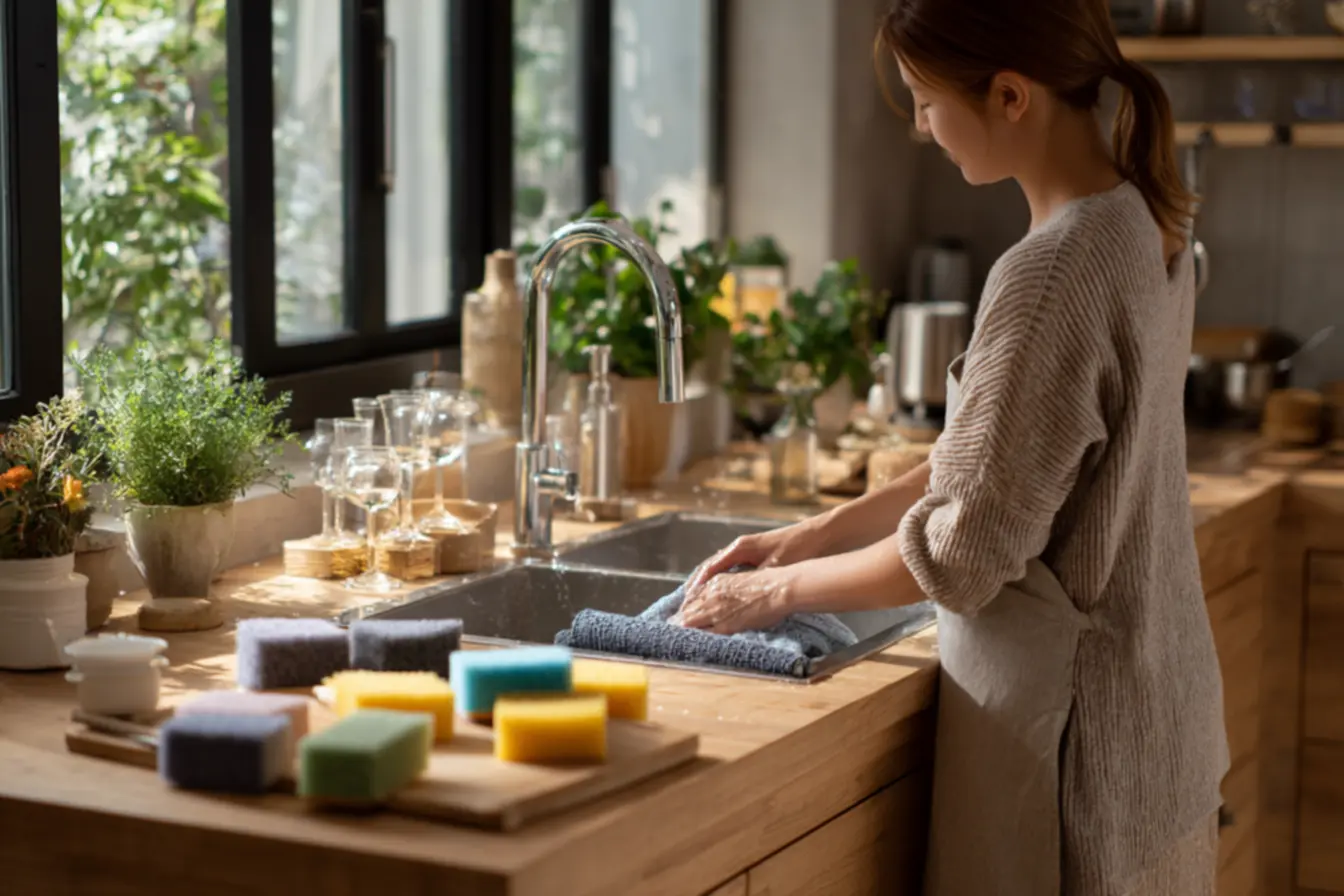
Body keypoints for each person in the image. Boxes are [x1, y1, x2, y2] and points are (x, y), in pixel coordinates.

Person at [678, 1, 1228, 894]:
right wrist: (807, 538)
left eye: (927, 102)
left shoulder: (1052, 272)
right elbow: (994, 456)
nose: (923, 128)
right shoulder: (1142, 214)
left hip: (1075, 756)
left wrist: (774, 592)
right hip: (1157, 732)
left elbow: (961, 558)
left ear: (1010, 96)